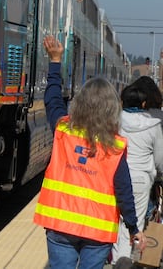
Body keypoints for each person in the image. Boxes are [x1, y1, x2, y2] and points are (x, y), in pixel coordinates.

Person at [34, 35, 145, 269]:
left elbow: (52, 99)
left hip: (60, 224)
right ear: (112, 109)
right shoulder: (114, 148)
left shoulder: (63, 130)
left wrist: (55, 61)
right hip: (98, 231)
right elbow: (124, 193)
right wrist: (135, 229)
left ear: (80, 103)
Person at [111, 79, 163, 264]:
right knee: (133, 228)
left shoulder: (115, 121)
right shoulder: (153, 124)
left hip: (115, 176)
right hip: (141, 181)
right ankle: (126, 263)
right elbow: (159, 158)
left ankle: (118, 261)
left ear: (122, 102)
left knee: (115, 224)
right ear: (143, 104)